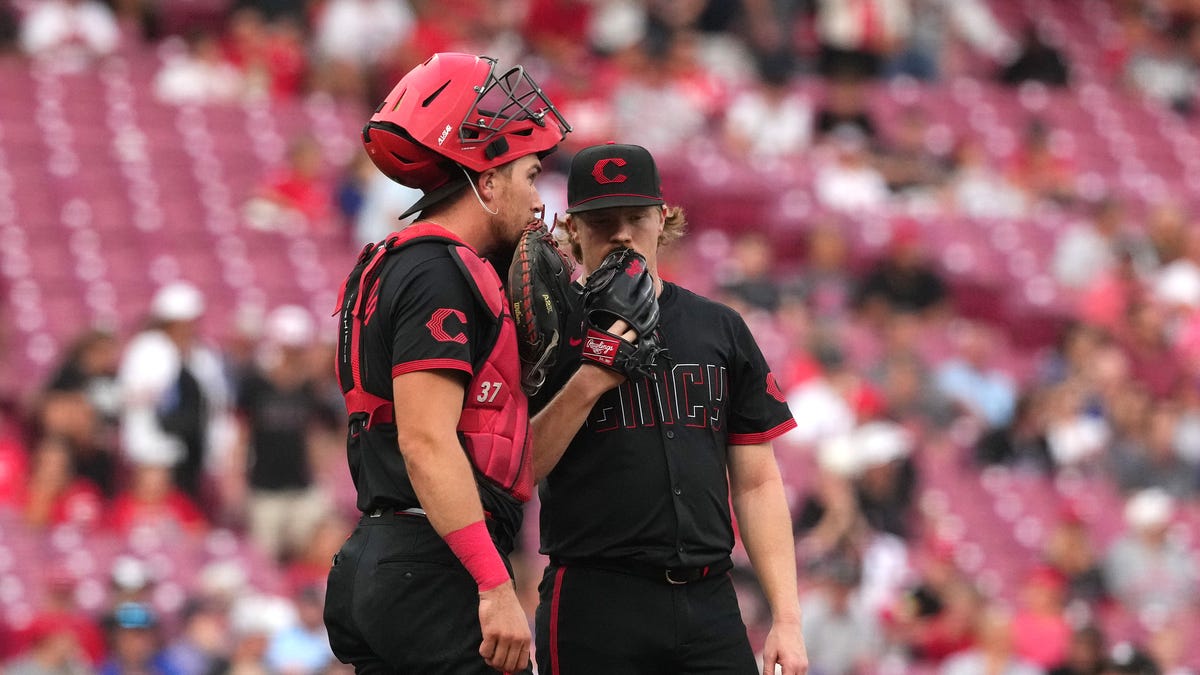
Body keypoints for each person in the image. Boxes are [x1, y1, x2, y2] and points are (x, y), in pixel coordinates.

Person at [322, 52, 570, 675]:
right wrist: (493, 584)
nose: (537, 200)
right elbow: (427, 442)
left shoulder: (406, 257)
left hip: (392, 553)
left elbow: (492, 449)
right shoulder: (440, 267)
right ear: (486, 182)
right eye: (529, 175)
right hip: (433, 562)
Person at [530, 142, 809, 674]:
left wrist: (787, 618)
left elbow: (756, 484)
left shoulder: (718, 328)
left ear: (662, 219)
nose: (621, 234)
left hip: (708, 602)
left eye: (635, 217)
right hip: (595, 600)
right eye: (602, 220)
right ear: (573, 229)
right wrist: (591, 377)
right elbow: (517, 472)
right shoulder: (547, 331)